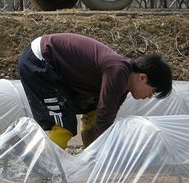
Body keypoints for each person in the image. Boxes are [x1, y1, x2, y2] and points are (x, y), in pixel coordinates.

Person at [17, 33, 172, 149]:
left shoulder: (123, 83)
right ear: (142, 78)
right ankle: (45, 167)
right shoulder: (118, 71)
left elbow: (104, 118)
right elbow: (104, 124)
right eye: (152, 91)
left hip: (54, 67)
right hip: (40, 61)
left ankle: (90, 157)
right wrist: (116, 152)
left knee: (93, 111)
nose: (149, 97)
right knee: (64, 124)